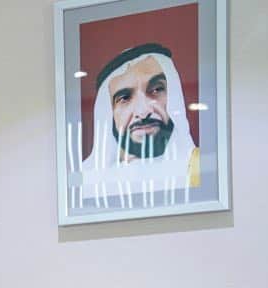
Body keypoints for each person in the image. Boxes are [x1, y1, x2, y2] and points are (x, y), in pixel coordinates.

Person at [80, 43, 200, 195]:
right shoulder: (86, 182)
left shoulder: (200, 167)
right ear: (109, 114)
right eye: (125, 98)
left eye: (156, 90)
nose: (143, 112)